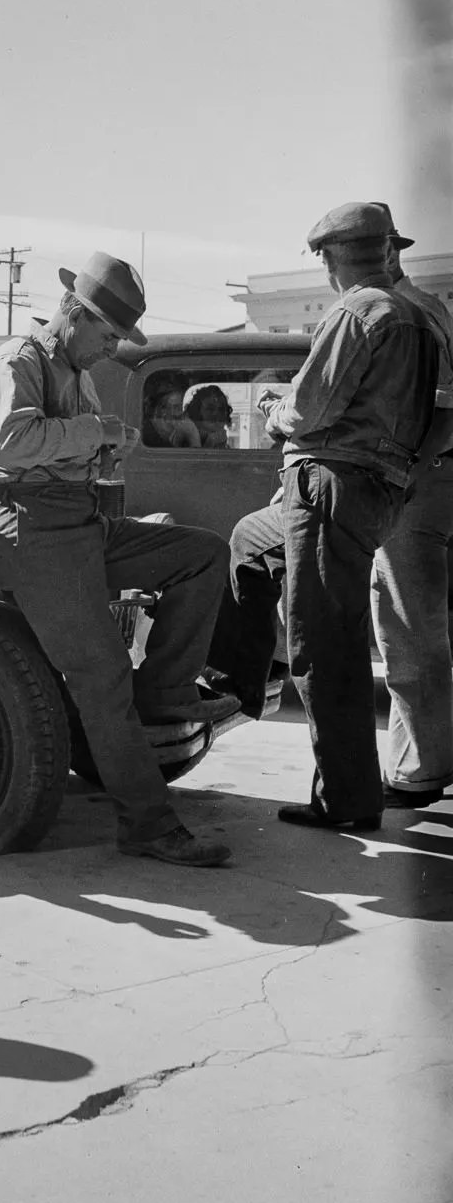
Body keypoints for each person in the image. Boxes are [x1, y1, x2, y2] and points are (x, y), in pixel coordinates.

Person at [0, 251, 238, 869]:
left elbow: (71, 452)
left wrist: (99, 451)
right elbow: (12, 445)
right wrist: (97, 435)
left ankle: (166, 692)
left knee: (202, 555)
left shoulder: (79, 372)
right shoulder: (18, 361)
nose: (110, 347)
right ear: (72, 311)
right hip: (27, 529)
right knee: (101, 675)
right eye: (108, 333)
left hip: (76, 521)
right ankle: (147, 824)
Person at [206, 202, 440, 833]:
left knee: (324, 645)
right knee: (250, 543)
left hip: (326, 485)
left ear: (332, 259)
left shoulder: (357, 310)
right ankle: (231, 682)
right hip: (368, 492)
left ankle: (347, 802)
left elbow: (308, 410)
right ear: (388, 250)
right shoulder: (423, 320)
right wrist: (403, 471)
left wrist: (280, 406)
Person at [369, 204, 453, 809]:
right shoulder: (427, 306)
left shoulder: (407, 313)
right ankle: (417, 764)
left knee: (407, 630)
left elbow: (444, 410)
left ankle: (419, 770)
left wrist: (407, 474)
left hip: (419, 486)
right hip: (433, 480)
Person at [141, 373, 201, 448]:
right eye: (178, 407)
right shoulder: (146, 438)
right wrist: (193, 436)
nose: (185, 415)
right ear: (162, 410)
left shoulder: (178, 435)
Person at [184, 384, 234, 449]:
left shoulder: (227, 447)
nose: (217, 413)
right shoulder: (187, 441)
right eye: (210, 409)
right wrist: (209, 444)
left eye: (221, 409)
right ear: (197, 412)